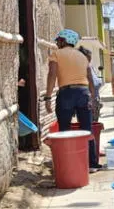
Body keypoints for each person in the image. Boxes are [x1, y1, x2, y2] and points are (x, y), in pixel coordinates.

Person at [43, 29, 101, 171]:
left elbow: (52, 75)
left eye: (58, 40)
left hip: (66, 93)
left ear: (63, 40)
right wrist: (93, 99)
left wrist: (48, 97)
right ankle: (92, 164)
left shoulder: (56, 54)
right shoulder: (82, 56)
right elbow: (90, 80)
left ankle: (68, 164)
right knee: (87, 129)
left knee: (65, 129)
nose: (57, 43)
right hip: (84, 93)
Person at [78, 46, 103, 122]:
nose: (90, 59)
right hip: (86, 103)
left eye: (90, 57)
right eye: (88, 57)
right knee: (88, 126)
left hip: (95, 101)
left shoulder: (90, 67)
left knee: (95, 125)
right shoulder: (79, 69)